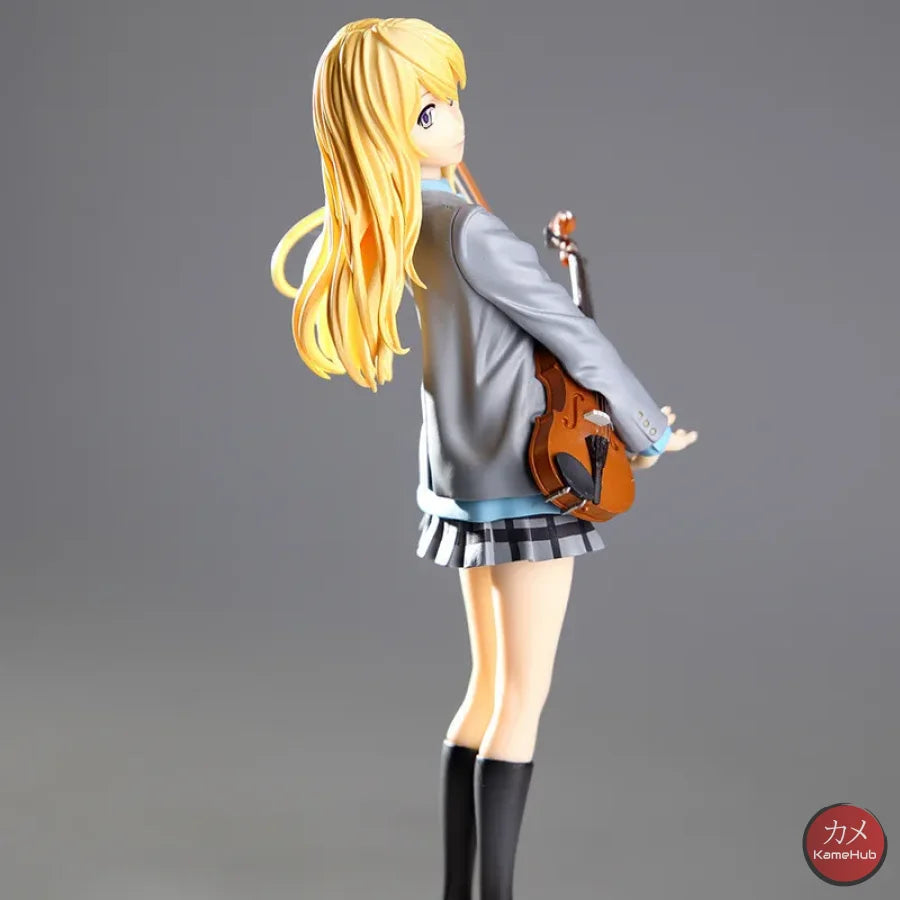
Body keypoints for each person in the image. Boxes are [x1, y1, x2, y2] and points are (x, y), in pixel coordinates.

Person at [270, 18, 698, 900]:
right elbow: (572, 336)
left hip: (460, 481)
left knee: (486, 689)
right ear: (383, 129)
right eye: (428, 112)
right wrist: (644, 431)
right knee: (522, 701)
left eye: (449, 103)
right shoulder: (469, 227)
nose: (454, 122)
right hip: (532, 479)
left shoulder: (402, 224)